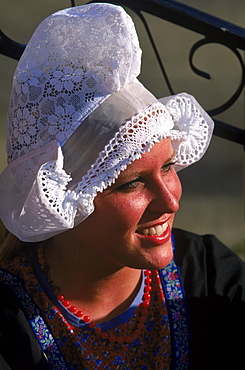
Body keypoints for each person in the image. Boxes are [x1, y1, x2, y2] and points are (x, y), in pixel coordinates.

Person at [0, 3, 244, 370]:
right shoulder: (11, 326)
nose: (169, 201)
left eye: (168, 166)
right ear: (62, 198)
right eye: (132, 184)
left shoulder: (207, 275)